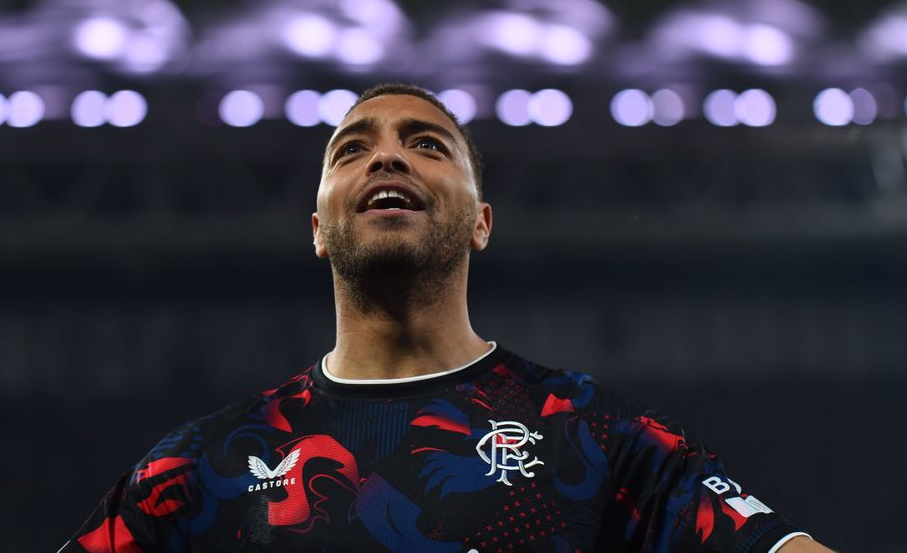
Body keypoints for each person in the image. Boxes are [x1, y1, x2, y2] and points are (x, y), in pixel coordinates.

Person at [62, 83, 833, 552]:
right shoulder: (201, 466)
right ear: (318, 228)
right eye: (351, 149)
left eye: (427, 144)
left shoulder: (598, 434)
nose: (387, 157)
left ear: (481, 222)